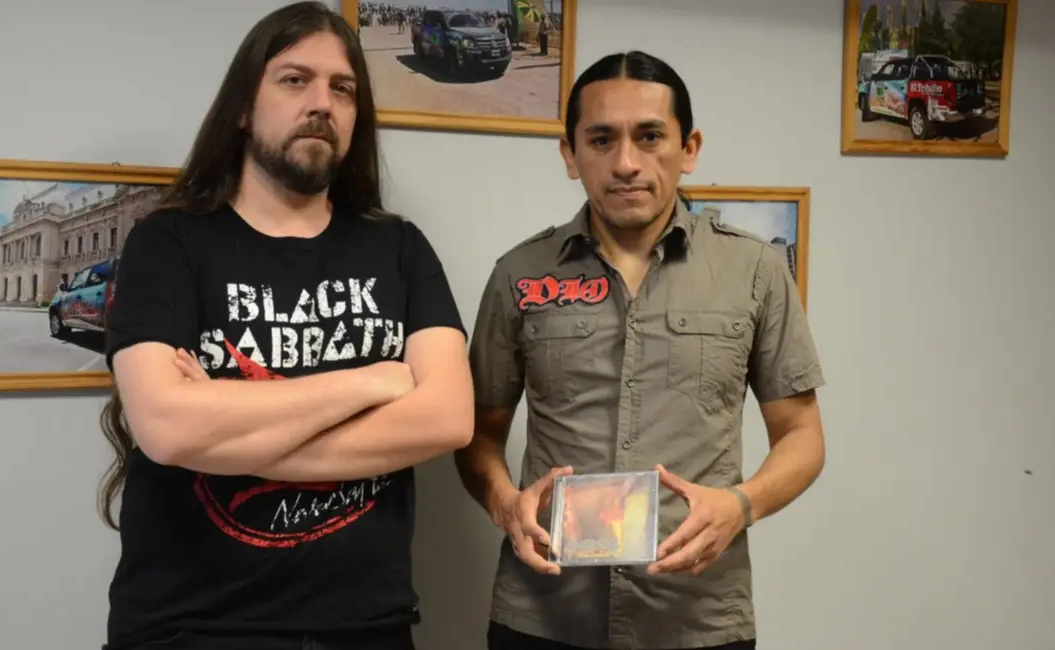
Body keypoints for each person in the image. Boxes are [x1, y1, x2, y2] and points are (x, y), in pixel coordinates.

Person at [97, 3, 473, 649]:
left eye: (343, 88)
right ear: (244, 107)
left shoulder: (399, 248)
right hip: (191, 626)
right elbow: (166, 427)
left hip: (365, 628)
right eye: (295, 80)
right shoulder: (169, 242)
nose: (322, 103)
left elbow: (447, 419)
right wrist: (373, 382)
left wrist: (227, 434)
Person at [456, 50, 826, 650]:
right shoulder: (518, 274)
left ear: (689, 148)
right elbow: (478, 434)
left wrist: (741, 506)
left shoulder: (754, 271)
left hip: (697, 618)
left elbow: (803, 436)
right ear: (570, 154)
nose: (626, 162)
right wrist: (504, 503)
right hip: (545, 614)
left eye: (650, 136)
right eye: (601, 139)